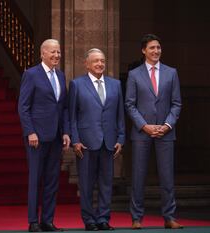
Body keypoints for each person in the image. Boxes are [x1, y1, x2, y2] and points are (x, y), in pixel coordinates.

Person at [125, 34, 182, 229]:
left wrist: (167, 125)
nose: (156, 51)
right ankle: (136, 218)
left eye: (158, 47)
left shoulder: (171, 72)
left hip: (166, 133)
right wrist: (145, 126)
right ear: (143, 50)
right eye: (152, 48)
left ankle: (169, 217)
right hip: (142, 133)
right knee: (138, 176)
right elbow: (130, 105)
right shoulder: (134, 75)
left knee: (167, 177)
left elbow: (176, 104)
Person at [68, 48, 125, 231]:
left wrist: (121, 138)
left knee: (106, 183)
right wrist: (75, 140)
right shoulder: (77, 84)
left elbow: (120, 115)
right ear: (87, 64)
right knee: (86, 184)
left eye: (102, 60)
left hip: (109, 142)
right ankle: (89, 220)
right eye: (95, 61)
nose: (99, 64)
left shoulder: (115, 84)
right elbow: (72, 116)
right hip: (85, 143)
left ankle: (103, 218)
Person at [18, 39, 71, 232]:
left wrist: (66, 132)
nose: (56, 55)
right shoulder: (31, 75)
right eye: (52, 52)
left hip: (56, 136)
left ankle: (47, 220)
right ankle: (33, 221)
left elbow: (63, 107)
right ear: (42, 54)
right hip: (37, 137)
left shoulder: (61, 75)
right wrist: (30, 131)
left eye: (58, 52)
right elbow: (23, 107)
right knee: (36, 179)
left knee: (52, 180)